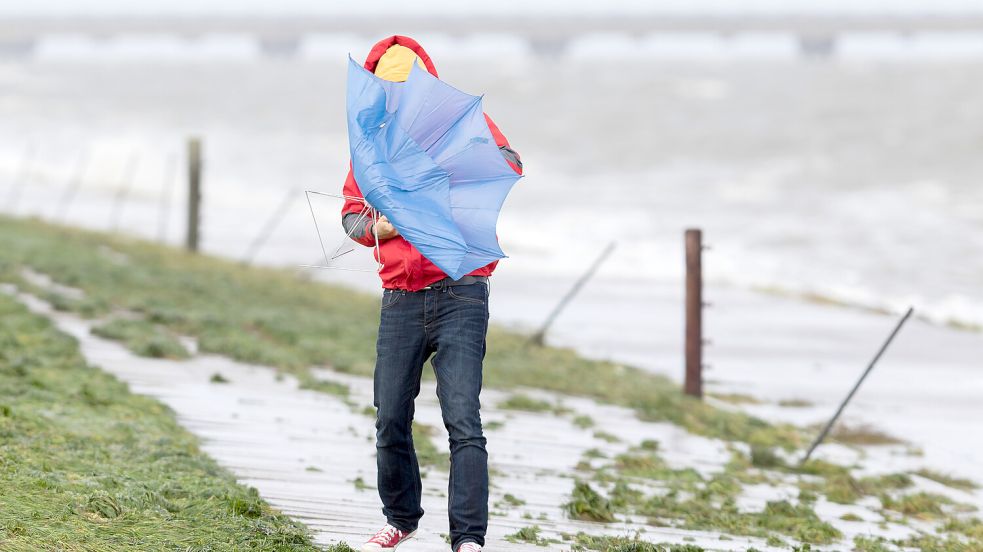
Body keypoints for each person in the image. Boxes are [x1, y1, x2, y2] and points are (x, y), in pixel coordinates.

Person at [340, 36, 522, 552]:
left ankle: (468, 537)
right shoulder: (369, 144)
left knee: (463, 415)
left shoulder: (458, 124)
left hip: (464, 288)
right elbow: (354, 220)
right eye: (389, 90)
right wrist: (394, 223)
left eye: (409, 88)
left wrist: (453, 171)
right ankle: (401, 518)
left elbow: (509, 161)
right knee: (390, 415)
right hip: (400, 296)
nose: (399, 99)